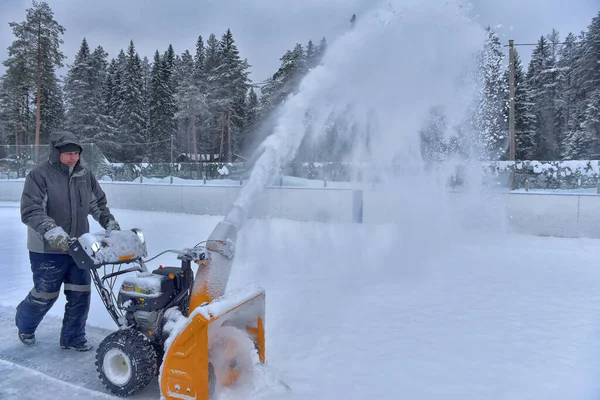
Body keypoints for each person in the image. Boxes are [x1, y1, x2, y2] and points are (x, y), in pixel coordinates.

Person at [15, 131, 120, 351]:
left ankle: (73, 338)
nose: (73, 157)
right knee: (45, 294)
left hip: (79, 246)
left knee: (80, 294)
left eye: (76, 153)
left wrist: (108, 220)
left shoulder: (84, 174)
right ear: (56, 153)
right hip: (46, 248)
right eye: (68, 153)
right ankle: (25, 325)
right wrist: (52, 231)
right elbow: (32, 210)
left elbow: (97, 204)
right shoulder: (39, 175)